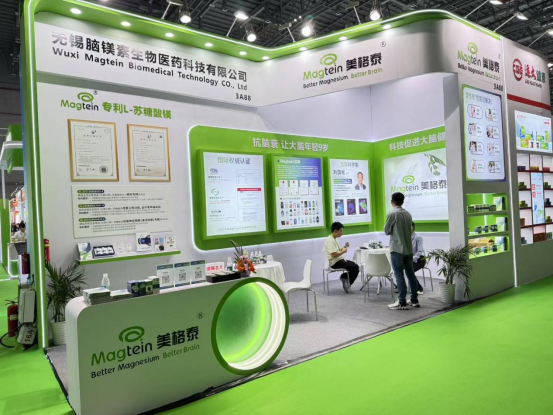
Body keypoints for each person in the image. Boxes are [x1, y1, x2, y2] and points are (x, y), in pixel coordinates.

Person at [384, 193, 419, 310]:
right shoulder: (408, 214)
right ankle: (414, 299)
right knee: (411, 274)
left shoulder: (391, 214)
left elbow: (386, 231)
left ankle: (402, 301)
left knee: (399, 275)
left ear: (392, 201)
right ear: (403, 201)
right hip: (408, 249)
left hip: (397, 249)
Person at [324, 222, 359, 293]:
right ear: (335, 231)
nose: (342, 233)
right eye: (340, 231)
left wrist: (344, 247)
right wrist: (343, 251)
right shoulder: (330, 240)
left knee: (355, 266)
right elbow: (334, 254)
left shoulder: (334, 238)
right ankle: (344, 278)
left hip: (339, 260)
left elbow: (337, 251)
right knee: (355, 267)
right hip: (335, 263)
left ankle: (345, 279)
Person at [393, 222, 425, 294]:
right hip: (409, 258)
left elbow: (419, 251)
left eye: (409, 226)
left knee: (409, 270)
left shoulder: (418, 237)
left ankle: (419, 288)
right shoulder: (404, 237)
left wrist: (412, 259)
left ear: (413, 227)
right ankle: (400, 287)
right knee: (397, 268)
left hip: (420, 259)